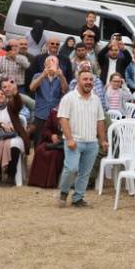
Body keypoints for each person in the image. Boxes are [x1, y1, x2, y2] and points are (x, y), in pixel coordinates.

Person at [57, 69, 108, 207]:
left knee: (85, 173)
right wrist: (69, 139)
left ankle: (78, 198)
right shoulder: (68, 98)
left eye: (91, 80)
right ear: (78, 81)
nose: (88, 82)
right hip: (74, 141)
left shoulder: (96, 99)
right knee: (71, 169)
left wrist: (103, 140)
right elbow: (63, 120)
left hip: (92, 142)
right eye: (85, 79)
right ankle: (63, 193)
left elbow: (100, 121)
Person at [0, 86, 29, 185]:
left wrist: (16, 94)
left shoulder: (10, 105)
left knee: (14, 146)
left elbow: (18, 105)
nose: (0, 96)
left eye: (2, 94)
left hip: (12, 134)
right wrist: (1, 125)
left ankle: (11, 175)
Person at [28, 55, 68, 145]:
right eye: (49, 64)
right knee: (38, 141)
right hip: (40, 114)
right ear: (45, 65)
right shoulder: (38, 75)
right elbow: (32, 88)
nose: (51, 66)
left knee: (53, 142)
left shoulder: (60, 77)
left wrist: (61, 76)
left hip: (55, 115)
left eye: (54, 64)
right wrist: (43, 75)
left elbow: (65, 90)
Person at [27, 109, 64, 188]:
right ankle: (37, 181)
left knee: (55, 154)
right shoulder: (54, 112)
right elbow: (46, 129)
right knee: (40, 150)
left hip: (64, 143)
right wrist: (51, 136)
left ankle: (50, 182)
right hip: (51, 140)